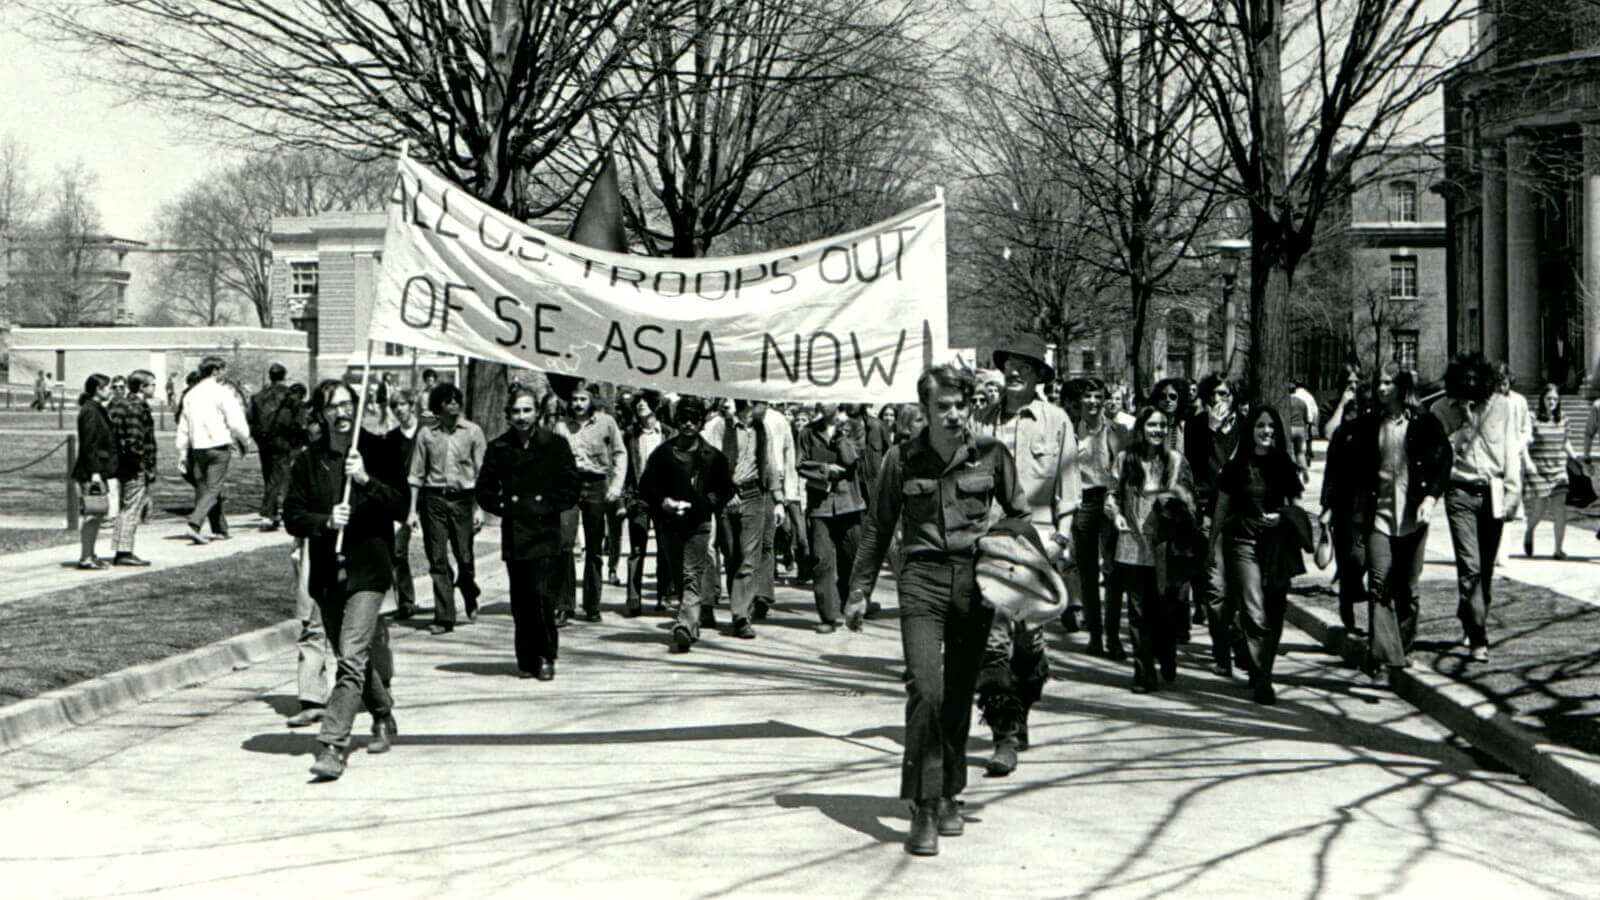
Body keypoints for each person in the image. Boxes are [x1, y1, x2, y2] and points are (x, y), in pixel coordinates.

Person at [846, 364, 1030, 857]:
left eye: (960, 405)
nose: (953, 414)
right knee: (926, 688)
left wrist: (1011, 564)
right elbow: (878, 527)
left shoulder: (992, 454)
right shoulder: (901, 459)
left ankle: (951, 790)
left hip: (976, 582)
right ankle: (924, 804)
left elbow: (1018, 514)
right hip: (922, 579)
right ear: (924, 410)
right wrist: (859, 590)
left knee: (958, 692)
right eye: (942, 406)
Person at [284, 379, 407, 781]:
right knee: (352, 656)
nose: (340, 413)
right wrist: (324, 522)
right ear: (320, 414)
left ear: (356, 408)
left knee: (350, 657)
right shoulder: (307, 461)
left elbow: (401, 506)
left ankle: (332, 745)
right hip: (327, 571)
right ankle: (384, 715)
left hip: (369, 568)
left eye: (346, 404)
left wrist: (367, 480)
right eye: (331, 406)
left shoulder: (378, 449)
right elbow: (293, 516)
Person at [971, 335, 1078, 777]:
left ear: (1038, 378)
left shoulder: (1056, 422)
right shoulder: (982, 421)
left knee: (1029, 648)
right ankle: (1004, 736)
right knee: (992, 643)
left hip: (1037, 545)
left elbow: (1068, 491)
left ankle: (1022, 710)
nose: (1014, 373)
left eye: (1025, 368)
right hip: (992, 544)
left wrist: (1062, 538)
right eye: (1009, 365)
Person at [1344, 364, 1451, 681]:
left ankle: (1402, 649)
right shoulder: (1368, 425)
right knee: (1380, 586)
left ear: (1401, 387)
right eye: (1379, 382)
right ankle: (1383, 657)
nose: (1382, 388)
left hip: (1413, 518)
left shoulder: (1424, 422)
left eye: (1388, 383)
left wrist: (1431, 498)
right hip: (1379, 517)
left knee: (1408, 588)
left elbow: (1443, 460)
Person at [477, 385, 581, 680]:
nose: (522, 417)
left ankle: (546, 655)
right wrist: (504, 508)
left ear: (536, 413)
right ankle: (525, 657)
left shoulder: (555, 444)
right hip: (516, 532)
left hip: (545, 532)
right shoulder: (498, 447)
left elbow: (571, 486)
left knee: (542, 597)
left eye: (527, 410)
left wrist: (547, 506)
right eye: (516, 411)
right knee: (521, 600)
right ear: (508, 414)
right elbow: (484, 489)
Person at [1211, 406, 1305, 704]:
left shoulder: (1284, 465)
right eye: (1261, 426)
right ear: (1250, 429)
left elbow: (1295, 505)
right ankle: (1262, 677)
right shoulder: (1236, 466)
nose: (1267, 432)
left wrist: (1282, 517)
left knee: (1275, 609)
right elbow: (1222, 507)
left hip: (1276, 545)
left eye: (1272, 427)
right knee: (1254, 610)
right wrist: (1211, 544)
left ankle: (1261, 667)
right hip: (1243, 543)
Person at [1431, 353, 1519, 662]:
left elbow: (1511, 451)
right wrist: (1463, 422)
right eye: (1463, 379)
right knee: (1469, 567)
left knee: (1484, 570)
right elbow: (1438, 456)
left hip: (1493, 491)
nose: (1469, 384)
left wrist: (1513, 491)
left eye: (1474, 379)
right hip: (1459, 493)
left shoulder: (1503, 407)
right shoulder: (1441, 409)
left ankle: (1470, 614)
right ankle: (1479, 638)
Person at [1107, 405, 1198, 693]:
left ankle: (1167, 654)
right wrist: (1115, 514)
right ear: (1140, 429)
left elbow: (1190, 498)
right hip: (1132, 543)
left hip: (1166, 546)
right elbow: (1112, 495)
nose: (1157, 431)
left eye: (1161, 426)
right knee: (1137, 611)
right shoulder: (1124, 460)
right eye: (1151, 425)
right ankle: (1143, 673)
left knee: (1166, 611)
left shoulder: (1175, 460)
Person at [639, 396, 734, 653]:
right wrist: (663, 502)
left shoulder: (712, 457)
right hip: (670, 523)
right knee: (678, 574)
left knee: (692, 573)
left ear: (701, 423)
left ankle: (683, 625)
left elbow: (725, 488)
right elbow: (646, 487)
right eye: (683, 419)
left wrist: (705, 503)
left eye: (694, 419)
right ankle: (691, 622)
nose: (688, 424)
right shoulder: (662, 454)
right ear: (676, 421)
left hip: (698, 523)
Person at [407, 382, 486, 635]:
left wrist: (479, 508)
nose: (453, 405)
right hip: (434, 500)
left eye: (456, 400)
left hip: (464, 500)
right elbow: (416, 474)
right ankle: (444, 616)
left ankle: (469, 590)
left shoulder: (473, 432)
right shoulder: (426, 435)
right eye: (446, 401)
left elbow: (482, 474)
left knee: (464, 556)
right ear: (437, 406)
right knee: (438, 558)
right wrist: (412, 510)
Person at [701, 398, 780, 638]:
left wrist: (778, 499)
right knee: (732, 556)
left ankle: (741, 616)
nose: (766, 408)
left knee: (749, 557)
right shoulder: (720, 427)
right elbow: (709, 462)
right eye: (762, 403)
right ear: (749, 403)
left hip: (754, 495)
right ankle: (735, 606)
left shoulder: (761, 428)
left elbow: (770, 462)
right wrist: (725, 492)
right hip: (728, 497)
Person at [1063, 377, 1128, 658]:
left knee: (1113, 572)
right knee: (1087, 571)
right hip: (1083, 502)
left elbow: (1126, 469)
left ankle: (1113, 637)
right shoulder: (1071, 431)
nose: (1092, 401)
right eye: (1087, 396)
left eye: (1097, 396)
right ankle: (1096, 636)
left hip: (1110, 500)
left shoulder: (1117, 430)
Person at [554, 382, 627, 622]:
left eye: (582, 399)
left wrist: (616, 486)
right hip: (568, 486)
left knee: (594, 547)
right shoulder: (561, 426)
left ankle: (592, 604)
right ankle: (565, 604)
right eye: (574, 399)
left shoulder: (607, 423)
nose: (577, 404)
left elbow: (620, 454)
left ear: (592, 401)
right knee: (565, 544)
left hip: (597, 485)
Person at [1186, 373, 1244, 674]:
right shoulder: (1196, 427)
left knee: (1241, 585)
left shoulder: (1245, 427)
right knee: (1216, 586)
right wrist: (1211, 431)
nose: (1219, 400)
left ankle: (1238, 637)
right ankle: (1223, 649)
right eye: (1214, 394)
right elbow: (1195, 464)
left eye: (1225, 394)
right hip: (1210, 513)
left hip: (1242, 515)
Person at [797, 404, 867, 633]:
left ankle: (850, 607)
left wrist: (839, 436)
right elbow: (801, 464)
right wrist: (825, 470)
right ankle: (827, 616)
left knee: (852, 557)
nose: (823, 404)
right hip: (820, 505)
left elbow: (851, 459)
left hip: (849, 502)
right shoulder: (807, 432)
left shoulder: (854, 427)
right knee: (822, 560)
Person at [175, 356, 250, 544]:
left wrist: (182, 451)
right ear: (215, 371)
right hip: (218, 445)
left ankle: (219, 528)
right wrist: (244, 440)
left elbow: (183, 425)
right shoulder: (222, 393)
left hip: (197, 446)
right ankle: (194, 523)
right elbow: (236, 421)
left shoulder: (191, 394)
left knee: (204, 488)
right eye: (222, 370)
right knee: (213, 488)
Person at [623, 393, 677, 615]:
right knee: (637, 548)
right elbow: (624, 468)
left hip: (664, 497)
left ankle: (663, 595)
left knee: (665, 548)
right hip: (639, 497)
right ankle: (634, 598)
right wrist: (625, 499)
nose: (641, 406)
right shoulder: (629, 435)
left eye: (646, 401)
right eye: (638, 403)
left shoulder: (668, 434)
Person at [107, 369, 158, 567]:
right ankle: (124, 551)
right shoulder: (137, 407)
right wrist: (144, 465)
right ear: (142, 387)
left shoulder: (119, 404)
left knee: (126, 506)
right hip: (134, 465)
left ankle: (123, 549)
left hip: (121, 463)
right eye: (152, 384)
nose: (154, 388)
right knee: (131, 508)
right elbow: (134, 440)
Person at [1523, 383, 1577, 558]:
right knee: (1539, 510)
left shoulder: (1563, 419)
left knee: (1560, 509)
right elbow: (1525, 439)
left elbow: (1566, 441)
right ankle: (1529, 531)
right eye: (1548, 398)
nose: (1551, 402)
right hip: (1539, 470)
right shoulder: (1533, 418)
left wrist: (1575, 458)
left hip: (1559, 469)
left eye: (1554, 398)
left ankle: (1558, 549)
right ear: (1542, 400)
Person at [248, 362, 302, 531]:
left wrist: (259, 438)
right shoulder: (291, 397)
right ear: (284, 376)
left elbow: (250, 421)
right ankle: (267, 514)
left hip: (265, 442)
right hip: (283, 442)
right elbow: (299, 423)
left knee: (269, 476)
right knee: (278, 478)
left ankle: (274, 512)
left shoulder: (257, 397)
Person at [74, 374, 119, 570]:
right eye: (107, 387)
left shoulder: (97, 409)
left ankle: (90, 553)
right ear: (98, 389)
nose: (110, 390)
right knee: (92, 514)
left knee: (97, 513)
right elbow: (88, 444)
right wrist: (94, 472)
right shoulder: (90, 411)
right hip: (91, 471)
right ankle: (86, 557)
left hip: (97, 470)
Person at [385, 389, 423, 619]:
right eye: (394, 406)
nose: (399, 410)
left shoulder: (426, 433)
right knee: (398, 552)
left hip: (428, 499)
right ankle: (406, 601)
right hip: (402, 501)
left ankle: (447, 596)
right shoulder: (391, 439)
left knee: (435, 551)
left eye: (402, 404)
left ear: (412, 404)